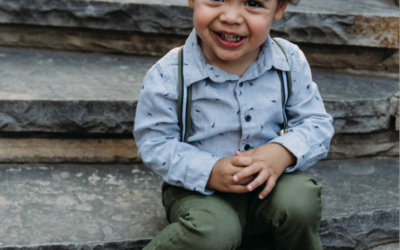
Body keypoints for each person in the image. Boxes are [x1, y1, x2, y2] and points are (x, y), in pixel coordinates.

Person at [133, 0, 335, 249]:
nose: (231, 17)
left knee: (300, 200)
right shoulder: (169, 74)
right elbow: (155, 143)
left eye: (253, 3)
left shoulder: (289, 61)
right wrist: (209, 170)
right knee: (215, 231)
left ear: (279, 7)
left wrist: (282, 152)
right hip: (197, 190)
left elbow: (316, 122)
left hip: (271, 182)